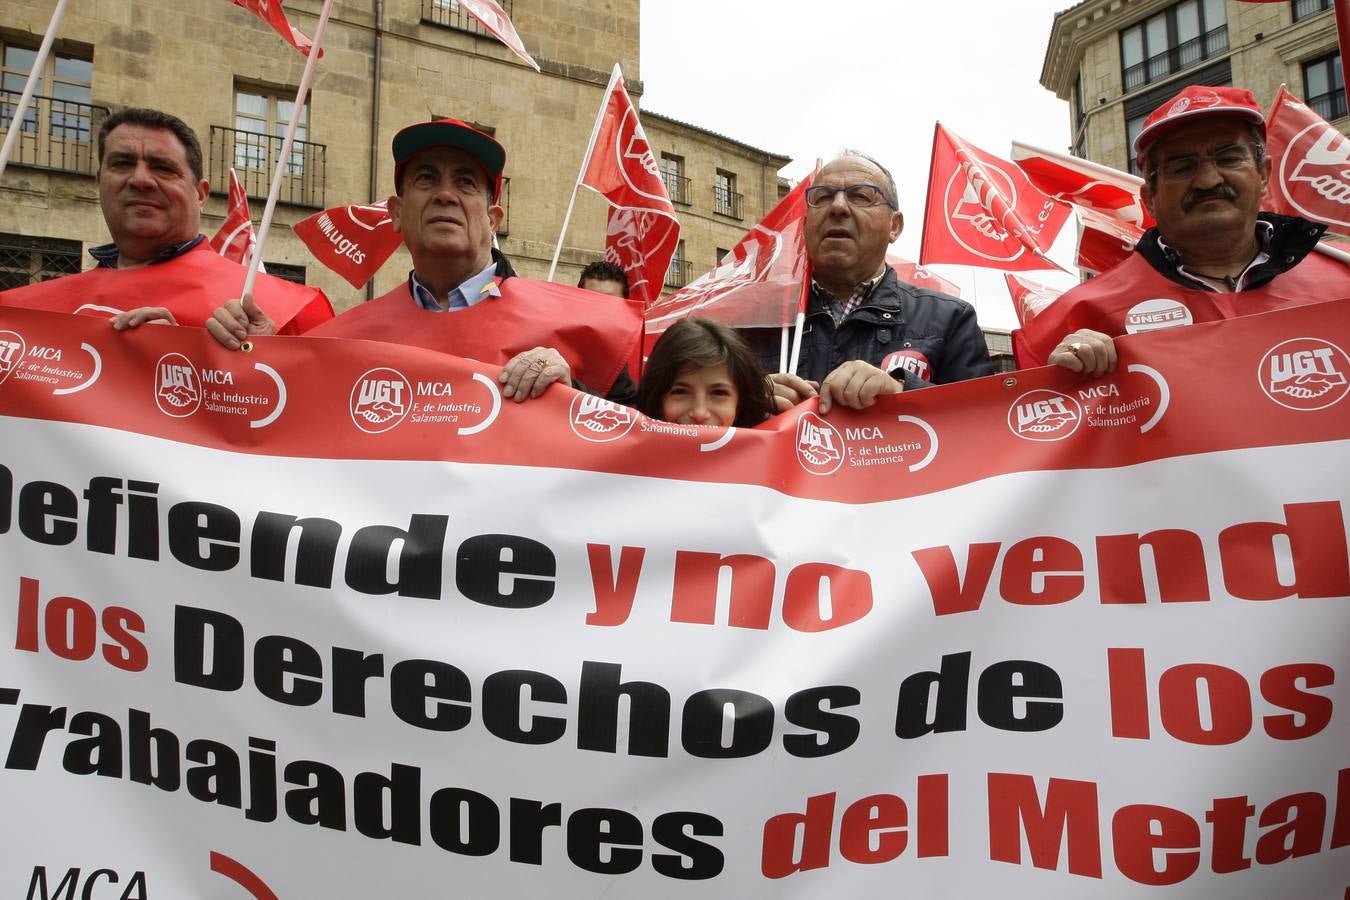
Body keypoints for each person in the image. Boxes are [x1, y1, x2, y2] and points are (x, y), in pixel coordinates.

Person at [208, 118, 638, 403]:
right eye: (426, 178)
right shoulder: (345, 339)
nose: (445, 193)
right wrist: (263, 355)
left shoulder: (585, 333)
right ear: (396, 213)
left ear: (493, 220)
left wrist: (575, 394)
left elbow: (645, 454)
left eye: (466, 182)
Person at [1017, 85, 1350, 377]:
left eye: (1228, 158)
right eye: (1181, 167)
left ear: (1263, 174)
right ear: (1150, 199)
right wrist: (1058, 380)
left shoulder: (1343, 281)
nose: (1209, 180)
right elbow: (1032, 429)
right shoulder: (1077, 315)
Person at [0, 107, 331, 333]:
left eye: (163, 168)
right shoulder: (17, 320)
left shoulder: (291, 311)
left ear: (200, 194)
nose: (141, 179)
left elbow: (326, 423)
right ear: (99, 181)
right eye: (122, 163)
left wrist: (261, 364)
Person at [757, 152, 994, 414]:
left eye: (860, 196)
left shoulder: (951, 319)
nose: (837, 207)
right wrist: (747, 402)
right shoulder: (754, 320)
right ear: (804, 225)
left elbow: (984, 420)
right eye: (822, 197)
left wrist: (902, 391)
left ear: (895, 226)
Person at [636, 317, 773, 428]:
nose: (699, 413)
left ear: (739, 404)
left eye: (719, 393)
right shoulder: (624, 460)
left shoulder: (773, 459)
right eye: (680, 391)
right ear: (657, 401)